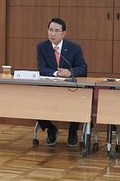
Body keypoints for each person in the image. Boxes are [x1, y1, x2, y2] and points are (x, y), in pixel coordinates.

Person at [35, 17, 87, 147]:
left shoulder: (74, 48)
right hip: (49, 89)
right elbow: (41, 68)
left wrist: (69, 72)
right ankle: (51, 129)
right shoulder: (42, 47)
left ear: (64, 33)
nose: (52, 34)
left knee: (78, 101)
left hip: (69, 89)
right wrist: (56, 73)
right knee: (34, 101)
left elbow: (83, 68)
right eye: (50, 30)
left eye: (56, 31)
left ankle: (73, 131)